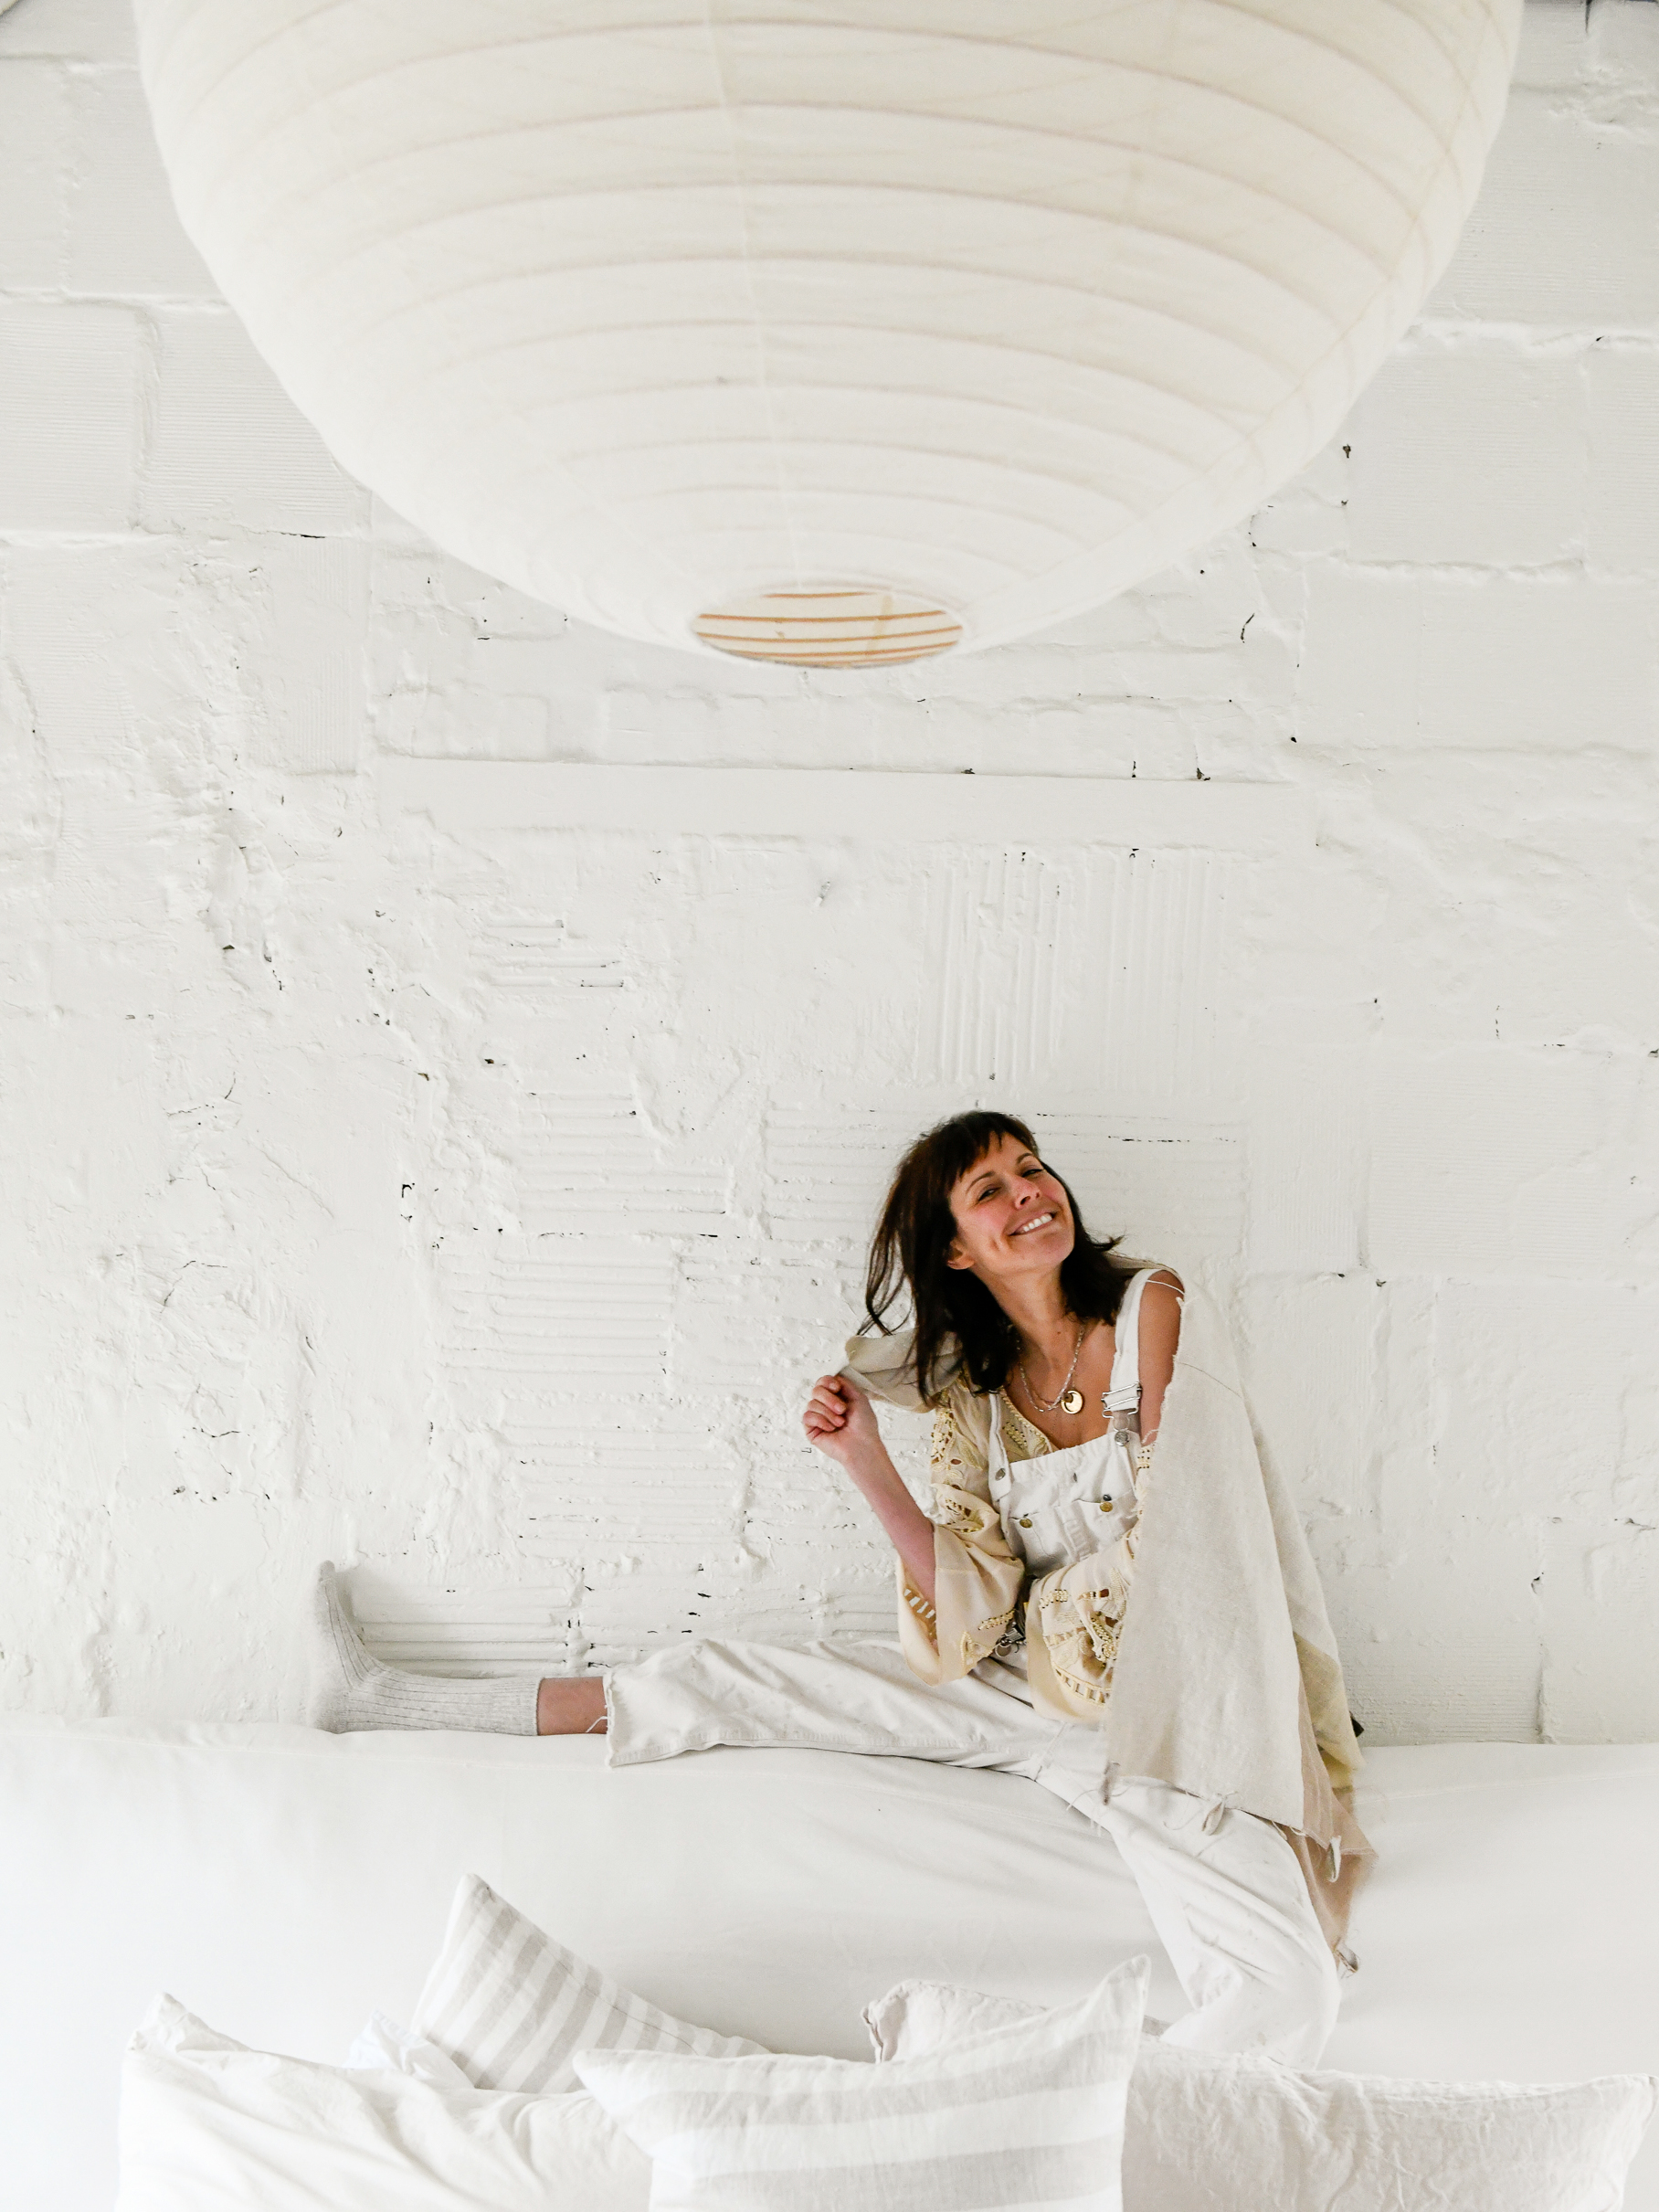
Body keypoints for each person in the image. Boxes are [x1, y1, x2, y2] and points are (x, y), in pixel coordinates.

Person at [309, 1109, 1371, 2064]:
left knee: (1287, 1996)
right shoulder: (978, 1394)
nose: (1030, 1194)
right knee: (750, 1680)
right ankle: (395, 1700)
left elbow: (1192, 1539)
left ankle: (1032, 2093)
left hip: (1168, 1719)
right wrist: (865, 1457)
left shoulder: (1153, 1308)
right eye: (991, 1189)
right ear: (956, 1248)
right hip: (1020, 1693)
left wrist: (1052, 1638)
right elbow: (974, 1604)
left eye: (1033, 1170)